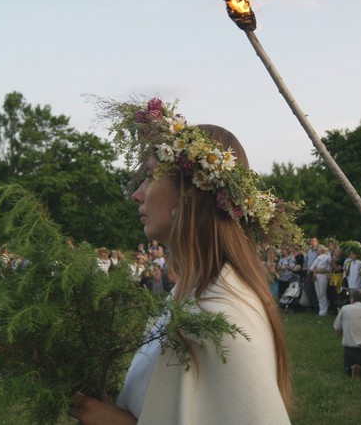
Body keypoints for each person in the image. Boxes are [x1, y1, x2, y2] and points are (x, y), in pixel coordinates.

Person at [70, 97, 299, 424]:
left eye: (150, 176)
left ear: (189, 194)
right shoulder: (184, 298)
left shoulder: (223, 313)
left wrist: (102, 416)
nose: (138, 193)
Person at [308, 245, 332, 316]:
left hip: (323, 276)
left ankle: (323, 312)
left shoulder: (327, 257)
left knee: (322, 294)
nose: (317, 251)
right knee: (320, 294)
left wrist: (319, 270)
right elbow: (311, 268)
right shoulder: (318, 258)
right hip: (317, 276)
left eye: (318, 250)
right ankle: (321, 311)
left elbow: (328, 268)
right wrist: (317, 271)